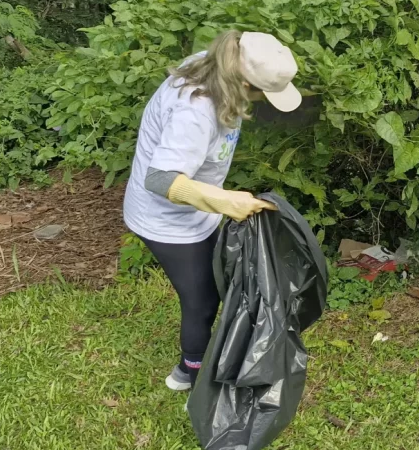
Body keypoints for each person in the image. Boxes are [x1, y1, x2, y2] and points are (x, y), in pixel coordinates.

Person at [123, 30, 302, 391]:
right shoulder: (196, 111)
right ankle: (189, 375)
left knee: (211, 287)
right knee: (202, 300)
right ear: (243, 80)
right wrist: (225, 201)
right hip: (165, 219)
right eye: (261, 93)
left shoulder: (215, 60)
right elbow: (159, 179)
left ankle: (197, 364)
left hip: (197, 211)